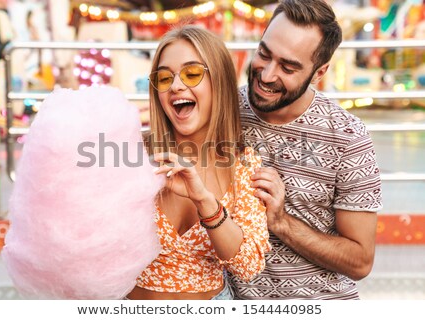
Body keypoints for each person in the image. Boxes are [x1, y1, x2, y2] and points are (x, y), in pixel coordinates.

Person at [229, 0, 383, 299]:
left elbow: (361, 261)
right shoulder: (224, 110)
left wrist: (281, 222)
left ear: (319, 72)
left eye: (288, 67)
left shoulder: (348, 136)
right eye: (264, 54)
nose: (267, 75)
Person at [126, 25, 271, 300]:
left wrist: (205, 201)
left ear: (219, 82)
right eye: (164, 78)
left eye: (192, 73)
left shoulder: (242, 165)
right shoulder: (133, 152)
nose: (177, 86)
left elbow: (248, 266)